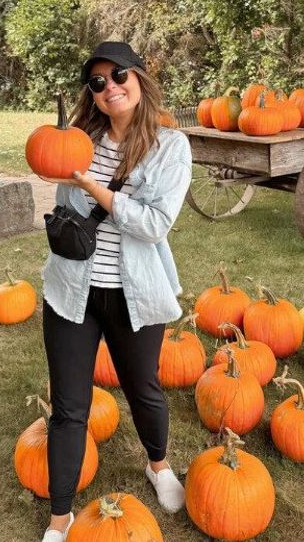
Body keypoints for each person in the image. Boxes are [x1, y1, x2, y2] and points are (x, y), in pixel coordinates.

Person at [36, 42, 192, 541]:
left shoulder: (171, 147)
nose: (110, 87)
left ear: (140, 78)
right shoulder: (77, 141)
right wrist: (67, 176)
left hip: (135, 292)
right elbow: (70, 216)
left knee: (143, 388)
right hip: (72, 290)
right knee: (69, 407)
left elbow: (154, 225)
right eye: (98, 82)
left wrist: (95, 189)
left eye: (119, 75)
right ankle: (60, 518)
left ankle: (159, 465)